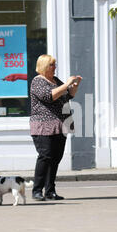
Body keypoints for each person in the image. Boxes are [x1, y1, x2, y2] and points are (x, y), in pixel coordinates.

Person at [30, 54, 82, 201]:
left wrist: (74, 86)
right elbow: (49, 96)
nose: (55, 67)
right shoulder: (37, 81)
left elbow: (67, 96)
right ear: (44, 66)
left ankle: (50, 190)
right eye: (52, 65)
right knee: (45, 157)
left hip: (60, 124)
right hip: (43, 126)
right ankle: (37, 190)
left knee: (55, 158)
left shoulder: (55, 80)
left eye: (55, 64)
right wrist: (66, 84)